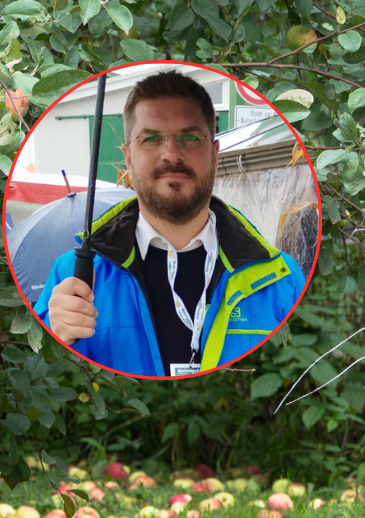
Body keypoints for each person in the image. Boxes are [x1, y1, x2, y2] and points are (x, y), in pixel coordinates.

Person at [33, 70, 305, 377]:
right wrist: (57, 339)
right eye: (151, 138)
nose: (172, 154)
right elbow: (50, 387)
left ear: (214, 154)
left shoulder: (280, 279)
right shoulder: (72, 278)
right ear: (128, 158)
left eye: (190, 137)